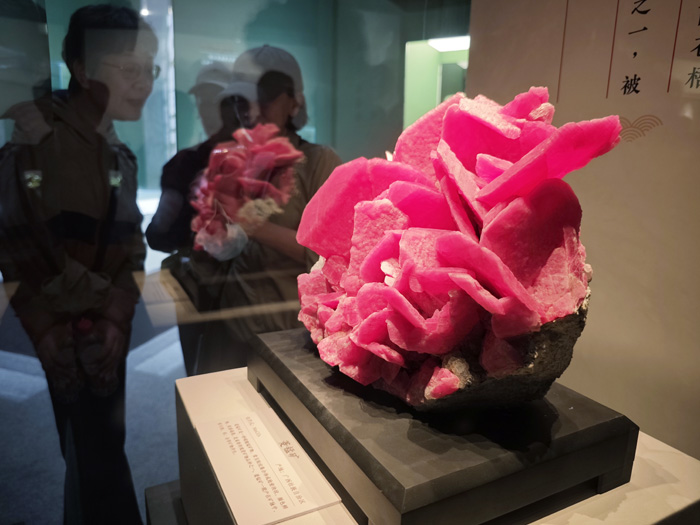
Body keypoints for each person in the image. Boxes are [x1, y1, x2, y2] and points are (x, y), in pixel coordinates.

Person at [0, 5, 158, 523]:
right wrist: (58, 324)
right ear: (83, 69)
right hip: (66, 332)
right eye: (129, 68)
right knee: (93, 461)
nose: (144, 83)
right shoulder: (38, 140)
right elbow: (21, 246)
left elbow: (130, 242)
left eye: (150, 68)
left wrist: (117, 313)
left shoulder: (113, 147)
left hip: (101, 328)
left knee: (101, 451)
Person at [199, 45, 342, 369]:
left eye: (264, 96)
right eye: (241, 99)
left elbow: (330, 258)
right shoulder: (235, 161)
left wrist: (250, 224)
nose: (251, 109)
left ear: (293, 102)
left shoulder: (318, 162)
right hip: (233, 329)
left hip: (291, 337)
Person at [146, 69, 257, 375]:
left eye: (217, 102)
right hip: (200, 287)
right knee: (201, 377)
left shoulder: (266, 161)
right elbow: (158, 235)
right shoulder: (185, 163)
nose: (209, 111)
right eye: (203, 102)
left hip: (253, 290)